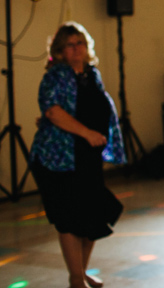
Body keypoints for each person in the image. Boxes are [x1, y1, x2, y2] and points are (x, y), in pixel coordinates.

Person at [29, 22, 126, 288]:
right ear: (59, 51)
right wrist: (87, 133)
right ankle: (75, 278)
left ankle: (81, 272)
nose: (76, 49)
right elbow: (53, 111)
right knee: (70, 218)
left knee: (93, 214)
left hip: (87, 155)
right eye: (70, 45)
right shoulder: (56, 76)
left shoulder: (92, 74)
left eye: (80, 43)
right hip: (59, 158)